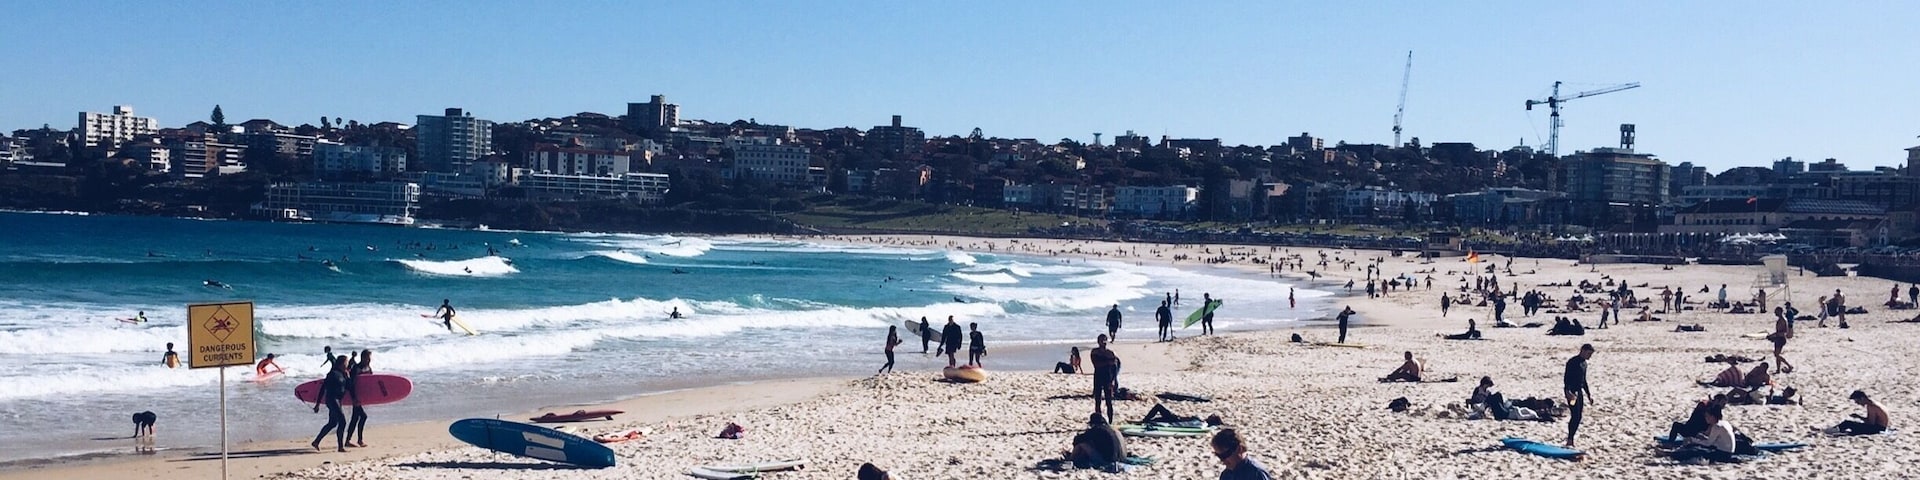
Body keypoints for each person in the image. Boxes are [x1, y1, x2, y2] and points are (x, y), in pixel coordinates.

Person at [310, 355, 352, 452]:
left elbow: (349, 387)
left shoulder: (343, 374)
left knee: (333, 423)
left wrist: (348, 377)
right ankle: (340, 447)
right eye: (346, 362)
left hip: (338, 401)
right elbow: (323, 389)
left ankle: (316, 442)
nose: (347, 364)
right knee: (342, 422)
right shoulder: (332, 374)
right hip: (332, 400)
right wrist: (317, 404)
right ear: (342, 363)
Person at [1671, 405, 1739, 463]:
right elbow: (1717, 441)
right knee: (1697, 446)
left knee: (1694, 451)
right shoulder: (1725, 423)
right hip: (1727, 453)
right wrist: (1701, 438)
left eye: (1707, 416)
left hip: (1722, 455)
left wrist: (1692, 439)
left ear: (1712, 416)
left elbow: (1708, 444)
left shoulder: (1717, 426)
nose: (1705, 418)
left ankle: (1669, 454)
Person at [1564, 344, 1595, 447]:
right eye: (1589, 353)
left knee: (1578, 417)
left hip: (1579, 393)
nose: (1590, 356)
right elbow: (1566, 378)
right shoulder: (1572, 362)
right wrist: (1568, 392)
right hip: (1571, 393)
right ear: (1583, 351)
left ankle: (1571, 439)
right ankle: (1570, 439)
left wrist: (1589, 395)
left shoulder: (1584, 364)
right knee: (1575, 415)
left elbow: (1584, 381)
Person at [1823, 390, 1890, 435]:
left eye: (1857, 401)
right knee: (1852, 424)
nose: (1857, 403)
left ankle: (1832, 430)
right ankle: (1835, 429)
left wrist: (1859, 417)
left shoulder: (1871, 406)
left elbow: (1870, 423)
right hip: (1881, 427)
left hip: (1877, 429)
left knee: (1848, 423)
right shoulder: (1875, 403)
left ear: (1862, 398)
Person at [345, 350, 373, 447]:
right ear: (363, 357)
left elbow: (371, 382)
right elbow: (351, 385)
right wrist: (354, 398)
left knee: (355, 418)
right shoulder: (356, 368)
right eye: (368, 357)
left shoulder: (368, 368)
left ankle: (348, 440)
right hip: (356, 397)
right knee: (363, 417)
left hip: (362, 397)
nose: (370, 360)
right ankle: (359, 440)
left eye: (370, 358)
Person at [1090, 334, 1120, 421]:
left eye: (1105, 340)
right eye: (1101, 340)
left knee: (1108, 401)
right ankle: (1098, 420)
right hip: (1098, 377)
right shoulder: (1094, 352)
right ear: (1098, 341)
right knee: (1098, 400)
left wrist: (1113, 380)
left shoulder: (1110, 353)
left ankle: (1110, 421)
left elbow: (1114, 367)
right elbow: (1096, 364)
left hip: (1108, 378)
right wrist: (1108, 362)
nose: (1103, 342)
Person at [1766, 307, 1796, 374]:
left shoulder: (1783, 320)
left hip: (1781, 339)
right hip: (1778, 338)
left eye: (1776, 311)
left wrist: (1773, 335)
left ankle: (1789, 365)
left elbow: (1784, 332)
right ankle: (1778, 369)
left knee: (1777, 355)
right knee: (1777, 354)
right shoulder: (1780, 320)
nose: (1775, 313)